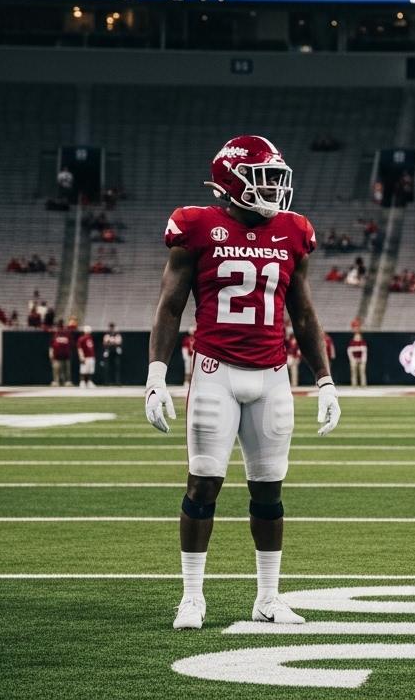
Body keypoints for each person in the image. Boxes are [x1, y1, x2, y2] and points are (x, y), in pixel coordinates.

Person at [144, 134, 341, 631]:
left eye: (277, 177)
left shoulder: (293, 231)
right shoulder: (197, 226)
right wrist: (155, 376)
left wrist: (325, 380)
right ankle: (192, 596)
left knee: (269, 492)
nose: (274, 187)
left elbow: (304, 311)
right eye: (264, 177)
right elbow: (170, 306)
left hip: (273, 375)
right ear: (232, 182)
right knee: (203, 483)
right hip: (215, 372)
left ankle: (268, 598)